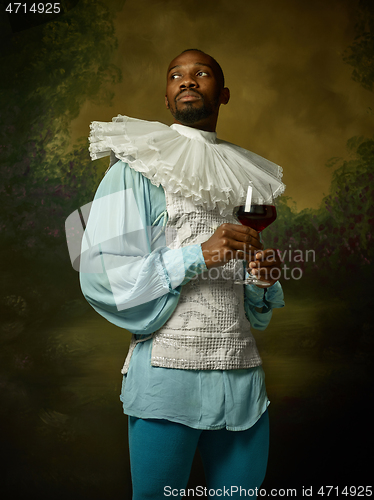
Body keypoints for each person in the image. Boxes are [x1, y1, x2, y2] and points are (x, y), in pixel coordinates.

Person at [80, 49, 285, 499]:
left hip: (242, 379)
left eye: (202, 73)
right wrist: (196, 255)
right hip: (166, 382)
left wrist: (261, 279)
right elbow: (100, 276)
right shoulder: (134, 169)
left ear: (223, 93)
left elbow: (258, 311)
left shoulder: (243, 174)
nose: (187, 81)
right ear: (168, 98)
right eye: (176, 76)